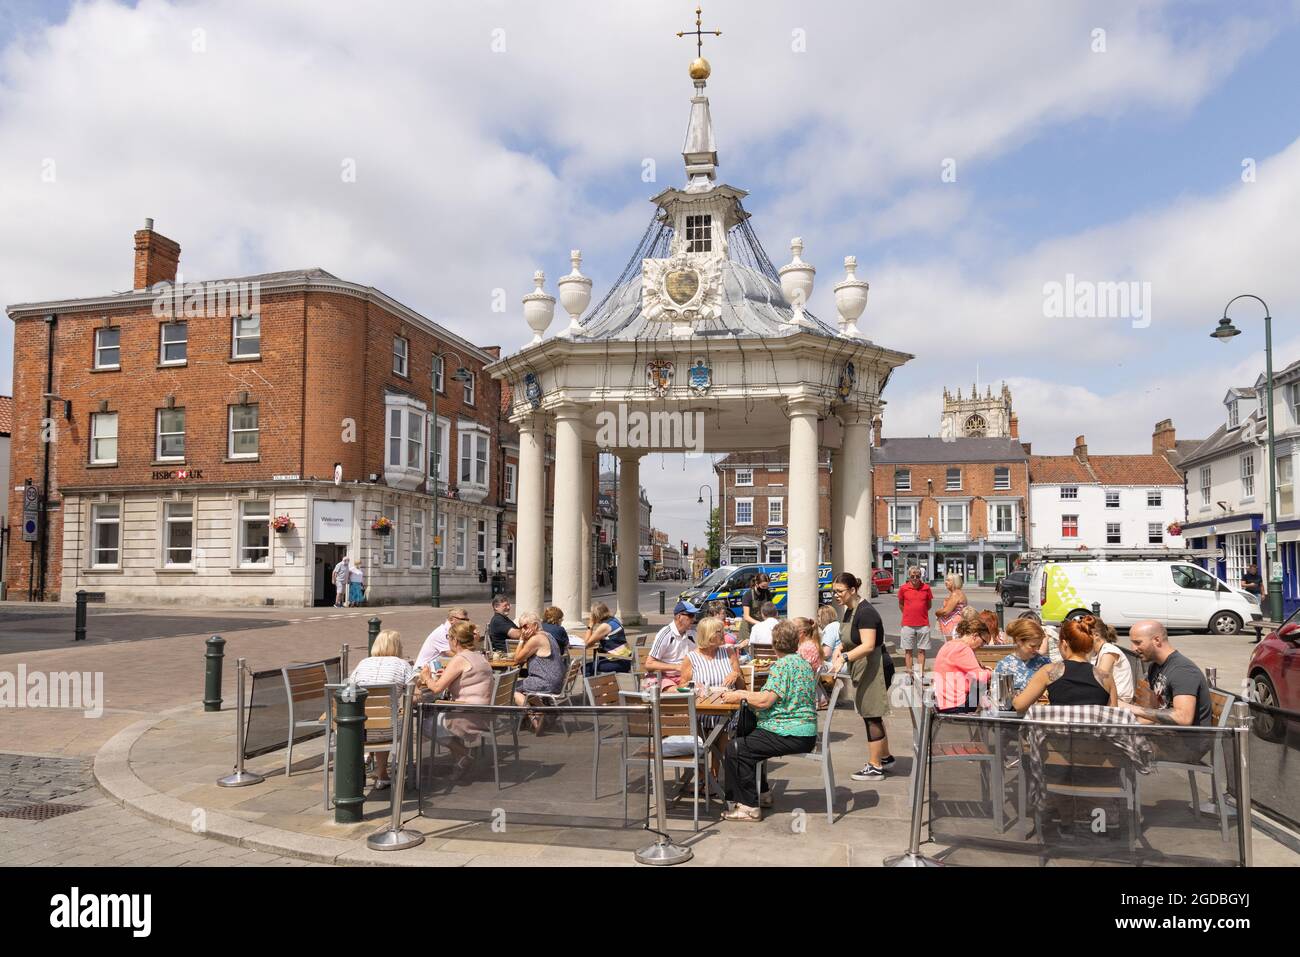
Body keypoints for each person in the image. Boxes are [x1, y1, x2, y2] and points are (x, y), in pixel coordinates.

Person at [720, 619, 819, 822]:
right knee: (752, 740)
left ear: (774, 644)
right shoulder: (802, 663)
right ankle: (763, 793)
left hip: (790, 732)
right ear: (796, 641)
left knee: (736, 748)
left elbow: (766, 701)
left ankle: (748, 806)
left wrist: (739, 695)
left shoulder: (782, 666)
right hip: (803, 730)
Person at [830, 571, 894, 779]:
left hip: (875, 666)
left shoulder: (865, 612)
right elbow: (854, 637)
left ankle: (875, 766)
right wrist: (840, 647)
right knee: (872, 713)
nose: (836, 595)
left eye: (840, 591)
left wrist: (844, 657)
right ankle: (884, 756)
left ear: (852, 590)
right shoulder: (850, 610)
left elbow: (867, 645)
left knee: (871, 714)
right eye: (834, 592)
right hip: (866, 667)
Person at [1124, 619, 1214, 763]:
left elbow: (1183, 718)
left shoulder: (1182, 670)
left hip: (1188, 746)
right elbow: (1153, 711)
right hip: (1168, 736)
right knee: (1113, 737)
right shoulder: (1155, 666)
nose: (1133, 648)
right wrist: (1124, 724)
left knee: (1119, 748)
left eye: (1138, 642)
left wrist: (1131, 708)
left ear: (1157, 640)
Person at [420, 620, 493, 779]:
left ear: (455, 640)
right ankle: (460, 761)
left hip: (467, 716)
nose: (448, 641)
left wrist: (426, 677)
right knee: (437, 719)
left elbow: (437, 688)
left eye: (449, 637)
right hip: (483, 714)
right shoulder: (480, 657)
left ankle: (465, 754)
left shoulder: (460, 658)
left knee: (425, 724)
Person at [348, 629, 416, 789]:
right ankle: (383, 774)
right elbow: (414, 695)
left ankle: (367, 757)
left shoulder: (363, 663)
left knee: (375, 719)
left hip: (357, 730)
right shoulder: (403, 665)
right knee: (391, 721)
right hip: (385, 729)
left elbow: (348, 690)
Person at [1013, 617, 1116, 713]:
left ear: (1064, 644)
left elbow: (1019, 705)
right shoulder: (1106, 678)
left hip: (1056, 732)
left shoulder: (1049, 671)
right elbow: (1114, 717)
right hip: (1094, 732)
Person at [512, 612, 566, 726]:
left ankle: (534, 717)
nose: (522, 630)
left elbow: (517, 659)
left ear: (535, 626)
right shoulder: (548, 635)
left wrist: (521, 640)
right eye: (520, 627)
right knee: (524, 686)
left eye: (525, 626)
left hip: (545, 682)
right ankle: (545, 710)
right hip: (555, 681)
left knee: (512, 688)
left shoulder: (536, 639)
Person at [933, 617, 992, 714]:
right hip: (955, 705)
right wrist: (991, 673)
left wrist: (983, 670)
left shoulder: (949, 644)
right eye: (984, 641)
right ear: (975, 635)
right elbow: (980, 676)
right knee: (982, 685)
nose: (982, 646)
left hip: (942, 702)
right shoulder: (963, 649)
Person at [644, 601, 698, 690]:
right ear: (679, 616)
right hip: (664, 677)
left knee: (702, 690)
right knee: (682, 693)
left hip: (685, 677)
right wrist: (676, 667)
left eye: (694, 616)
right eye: (691, 615)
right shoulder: (666, 634)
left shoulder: (692, 634)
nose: (694, 619)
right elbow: (649, 664)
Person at [994, 618, 1052, 695]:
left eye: (1039, 645)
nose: (1037, 649)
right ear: (1019, 641)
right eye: (1032, 646)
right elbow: (998, 695)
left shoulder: (1045, 662)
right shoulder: (1005, 665)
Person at [897, 565, 934, 678]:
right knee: (908, 651)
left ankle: (920, 674)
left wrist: (919, 612)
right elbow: (901, 604)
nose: (915, 578)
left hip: (923, 624)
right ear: (909, 576)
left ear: (920, 576)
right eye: (912, 576)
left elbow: (928, 605)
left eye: (917, 576)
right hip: (908, 624)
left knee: (921, 651)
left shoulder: (926, 588)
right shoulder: (903, 588)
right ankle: (909, 674)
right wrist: (909, 613)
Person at [1089, 620, 1135, 703]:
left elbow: (1098, 682)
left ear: (1096, 635)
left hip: (1119, 701)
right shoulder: (1099, 651)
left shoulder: (1108, 651)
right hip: (1111, 698)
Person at [583, 602, 631, 674]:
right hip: (626, 659)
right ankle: (601, 684)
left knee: (585, 668)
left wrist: (590, 624)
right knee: (598, 660)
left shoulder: (605, 626)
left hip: (619, 662)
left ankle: (596, 684)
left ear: (595, 615)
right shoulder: (614, 620)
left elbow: (586, 643)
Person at [793, 616, 829, 708]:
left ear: (802, 633)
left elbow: (800, 669)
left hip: (804, 682)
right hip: (809, 679)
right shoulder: (811, 644)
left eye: (793, 630)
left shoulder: (806, 647)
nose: (791, 633)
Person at [739, 572, 773, 647]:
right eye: (763, 586)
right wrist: (760, 624)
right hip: (748, 627)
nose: (765, 589)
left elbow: (770, 610)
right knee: (748, 648)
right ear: (757, 584)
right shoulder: (748, 595)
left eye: (767, 586)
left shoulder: (767, 593)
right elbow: (746, 616)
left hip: (761, 627)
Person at [935, 573, 968, 639]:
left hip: (953, 625)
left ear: (955, 582)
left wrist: (937, 612)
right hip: (953, 625)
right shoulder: (956, 593)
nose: (945, 582)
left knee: (953, 645)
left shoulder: (956, 594)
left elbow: (946, 611)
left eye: (948, 580)